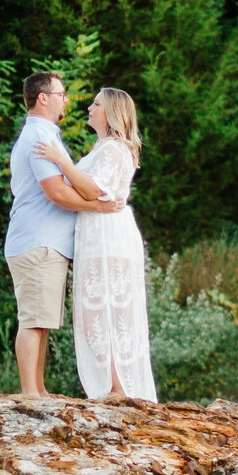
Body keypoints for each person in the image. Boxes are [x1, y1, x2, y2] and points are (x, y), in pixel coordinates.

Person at [35, 87, 155, 402]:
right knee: (96, 312)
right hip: (96, 234)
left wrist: (59, 159)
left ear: (112, 111)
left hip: (109, 235)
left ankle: (118, 387)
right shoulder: (103, 148)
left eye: (96, 103)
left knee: (108, 307)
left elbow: (93, 191)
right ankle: (112, 385)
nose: (89, 107)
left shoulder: (115, 148)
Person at [5, 72, 122, 397]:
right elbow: (55, 192)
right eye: (61, 93)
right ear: (43, 97)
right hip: (37, 241)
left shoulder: (46, 136)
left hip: (45, 242)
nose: (65, 99)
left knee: (40, 320)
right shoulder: (38, 139)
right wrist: (98, 207)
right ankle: (30, 393)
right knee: (32, 319)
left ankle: (39, 390)